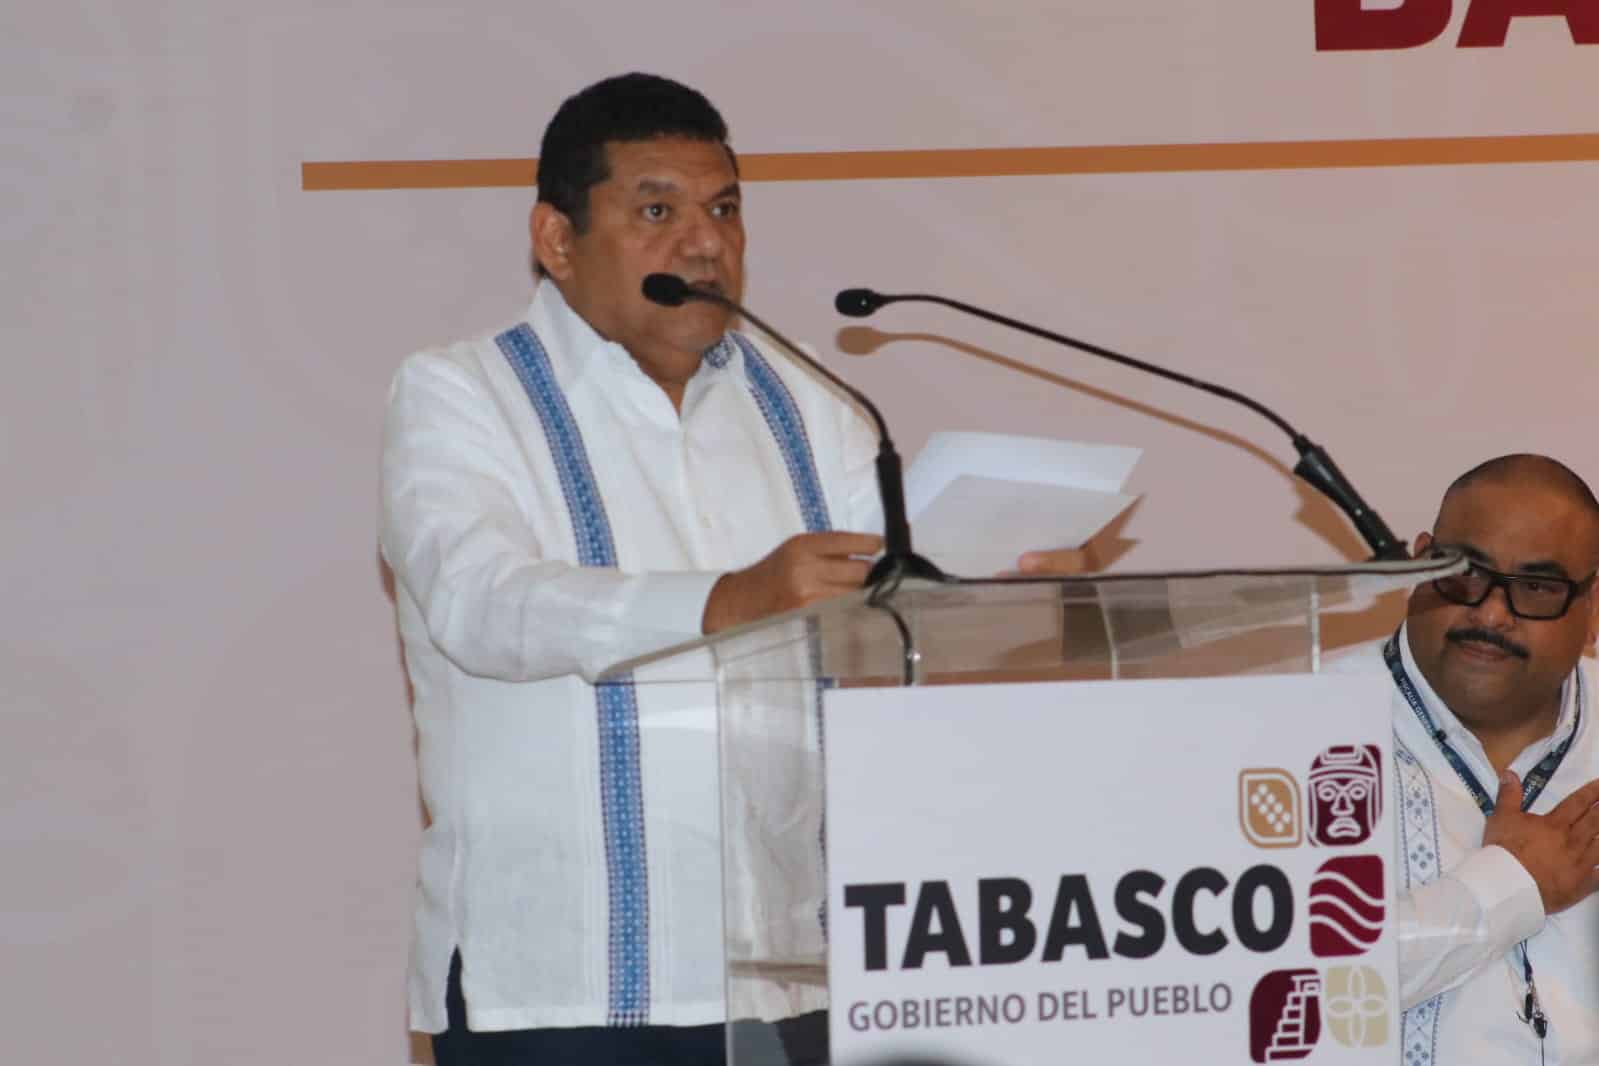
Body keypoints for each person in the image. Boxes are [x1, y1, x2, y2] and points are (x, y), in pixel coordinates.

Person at [379, 72, 1085, 1065]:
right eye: (656, 211)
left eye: (722, 209)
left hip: (785, 966)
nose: (704, 243)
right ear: (557, 239)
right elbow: (482, 605)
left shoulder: (811, 405)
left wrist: (1015, 599)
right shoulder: (461, 392)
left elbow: (894, 616)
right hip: (558, 976)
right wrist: (729, 600)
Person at [1335, 454, 1599, 1065]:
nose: (1490, 612)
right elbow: (1289, 979)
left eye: (1537, 587)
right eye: (1464, 571)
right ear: (1418, 563)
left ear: (1593, 609)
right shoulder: (1295, 728)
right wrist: (1509, 885)